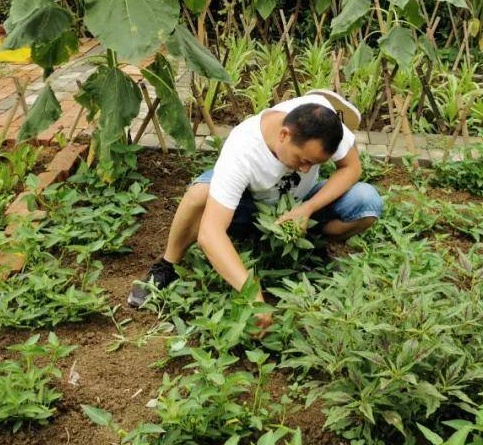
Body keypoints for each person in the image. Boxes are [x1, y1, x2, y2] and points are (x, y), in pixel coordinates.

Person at [127, 91, 383, 329]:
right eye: (303, 160)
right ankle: (167, 265)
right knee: (200, 194)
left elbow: (351, 168)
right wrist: (252, 294)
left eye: (314, 164)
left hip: (296, 204)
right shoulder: (243, 148)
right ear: (284, 135)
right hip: (249, 208)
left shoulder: (325, 121)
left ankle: (307, 248)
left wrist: (307, 208)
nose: (306, 170)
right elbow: (211, 233)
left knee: (366, 200)